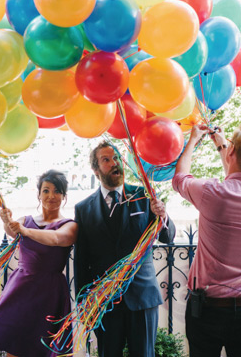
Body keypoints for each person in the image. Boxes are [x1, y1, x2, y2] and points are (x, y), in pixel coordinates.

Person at [172, 122, 241, 357]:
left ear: (232, 152)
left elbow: (179, 178)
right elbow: (237, 178)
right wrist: (222, 145)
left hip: (208, 311)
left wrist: (193, 140)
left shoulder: (212, 193)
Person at [74, 141, 176, 357]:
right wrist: (84, 305)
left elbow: (168, 237)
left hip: (142, 296)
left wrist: (163, 216)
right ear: (95, 169)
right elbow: (81, 260)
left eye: (117, 158)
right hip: (105, 301)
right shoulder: (83, 209)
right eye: (106, 159)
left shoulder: (144, 195)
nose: (115, 163)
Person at [0, 170, 78, 357]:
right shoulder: (25, 221)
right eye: (46, 190)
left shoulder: (69, 225)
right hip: (20, 288)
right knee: (15, 343)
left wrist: (25, 231)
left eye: (57, 191)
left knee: (45, 346)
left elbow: (57, 239)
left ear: (64, 196)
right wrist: (7, 221)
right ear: (38, 194)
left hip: (50, 293)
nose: (51, 196)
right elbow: (13, 230)